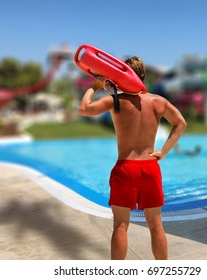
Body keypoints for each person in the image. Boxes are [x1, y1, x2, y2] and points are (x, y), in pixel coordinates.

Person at [79, 56, 187, 260]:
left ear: (120, 76)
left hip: (125, 168)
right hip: (150, 167)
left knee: (120, 225)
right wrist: (163, 151)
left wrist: (94, 86)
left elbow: (84, 109)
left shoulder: (115, 101)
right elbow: (180, 123)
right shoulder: (158, 101)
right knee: (156, 225)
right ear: (143, 76)